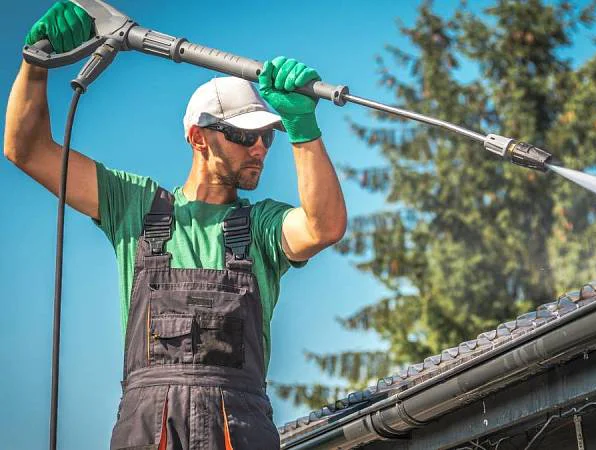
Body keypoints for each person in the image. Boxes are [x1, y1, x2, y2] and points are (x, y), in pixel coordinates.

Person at [5, 2, 347, 449]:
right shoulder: (134, 206)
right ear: (198, 137)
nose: (260, 148)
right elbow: (27, 149)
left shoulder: (262, 226)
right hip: (149, 429)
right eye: (244, 136)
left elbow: (323, 227)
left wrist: (303, 127)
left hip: (239, 429)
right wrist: (36, 63)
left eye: (266, 136)